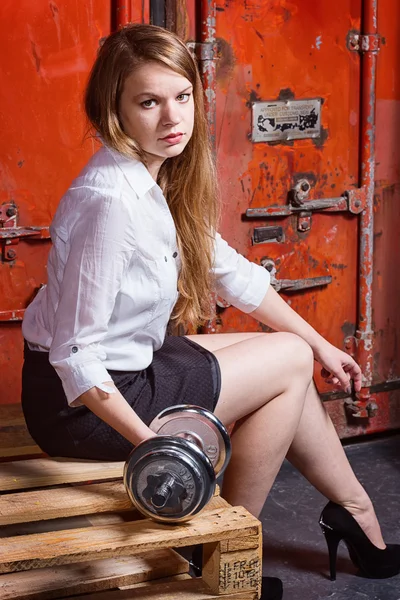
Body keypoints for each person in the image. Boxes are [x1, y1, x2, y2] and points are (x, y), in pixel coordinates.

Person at [21, 23, 399, 600]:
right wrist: (154, 446)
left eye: (181, 97)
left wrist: (324, 345)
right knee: (286, 364)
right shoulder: (109, 203)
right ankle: (222, 552)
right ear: (115, 110)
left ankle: (354, 512)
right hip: (84, 404)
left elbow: (234, 275)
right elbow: (76, 357)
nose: (172, 117)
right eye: (148, 102)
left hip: (131, 366)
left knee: (293, 362)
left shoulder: (156, 178)